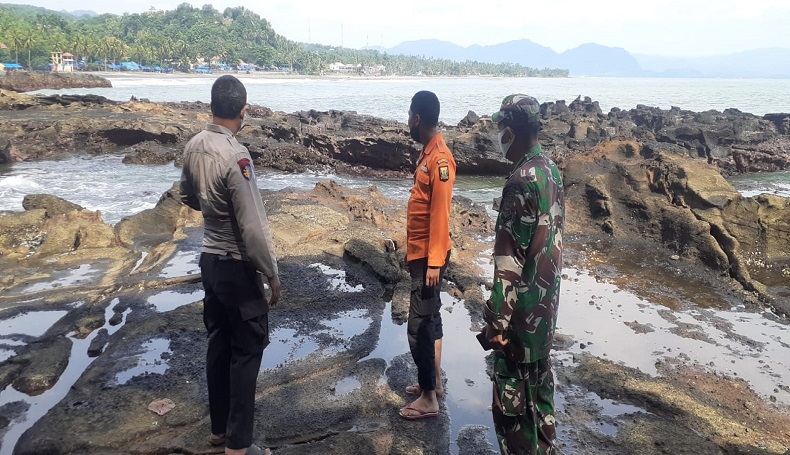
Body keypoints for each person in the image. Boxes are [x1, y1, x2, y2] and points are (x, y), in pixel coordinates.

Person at [180, 75, 280, 455]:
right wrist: (271, 272)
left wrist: (213, 212)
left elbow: (187, 194)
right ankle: (238, 447)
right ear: (243, 109)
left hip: (209, 260)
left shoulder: (193, 147)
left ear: (212, 105)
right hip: (237, 265)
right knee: (248, 348)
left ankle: (218, 431)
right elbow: (252, 224)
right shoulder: (236, 155)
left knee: (218, 344)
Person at [482, 94, 564, 454]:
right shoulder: (550, 170)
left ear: (512, 130)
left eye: (501, 129)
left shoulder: (519, 182)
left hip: (519, 325)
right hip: (544, 316)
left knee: (513, 419)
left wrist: (496, 324)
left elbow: (508, 264)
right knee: (541, 410)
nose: (498, 136)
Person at [399, 90, 456, 420]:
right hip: (423, 254)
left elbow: (440, 214)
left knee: (418, 325)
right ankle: (431, 383)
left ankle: (429, 399)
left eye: (409, 115)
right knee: (431, 317)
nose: (408, 120)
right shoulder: (428, 154)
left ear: (418, 119)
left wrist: (434, 261)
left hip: (428, 257)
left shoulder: (440, 160)